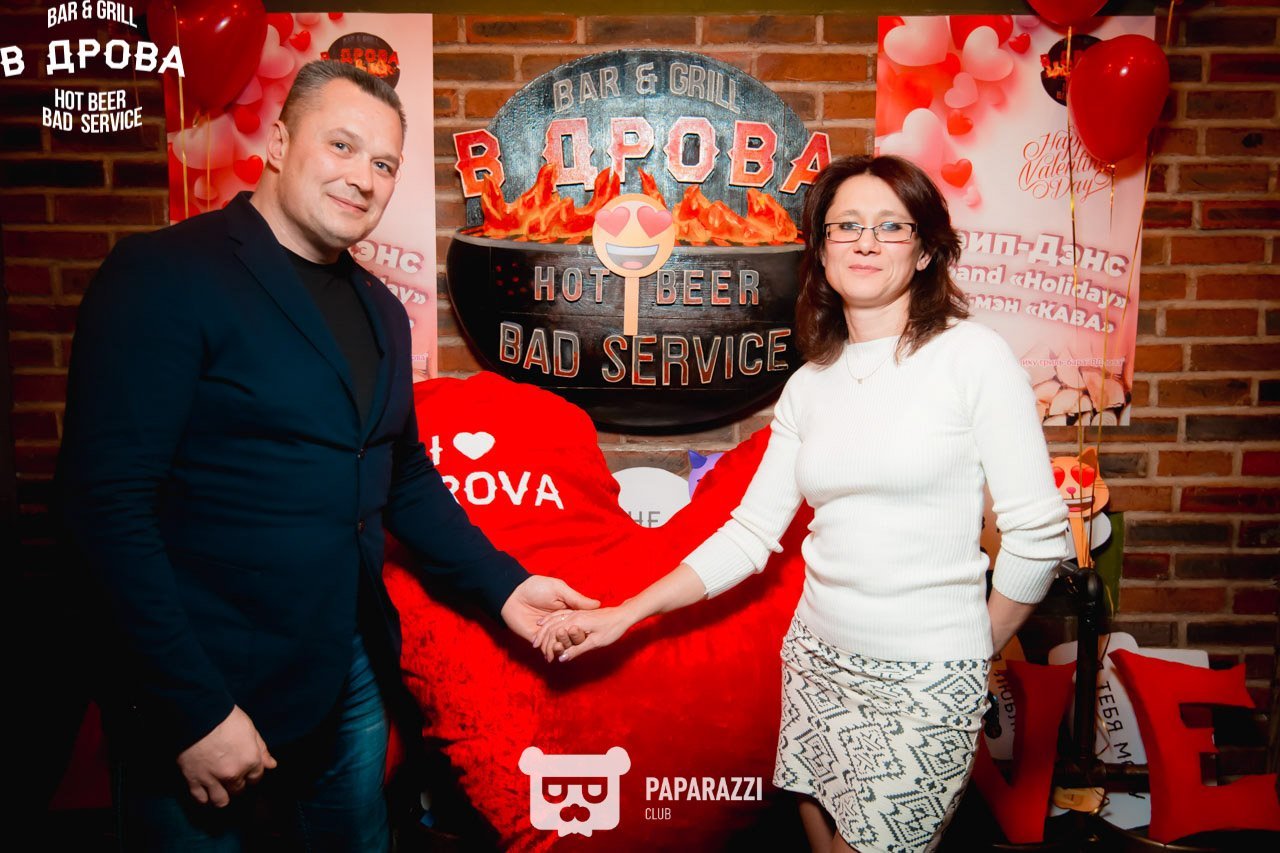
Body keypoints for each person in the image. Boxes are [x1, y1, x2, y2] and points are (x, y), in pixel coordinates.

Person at [58, 60, 596, 851]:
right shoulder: (165, 274)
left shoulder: (381, 308)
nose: (363, 177)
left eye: (383, 163)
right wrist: (192, 708)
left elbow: (400, 472)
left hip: (348, 670)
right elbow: (104, 509)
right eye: (341, 145)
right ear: (279, 143)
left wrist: (506, 585)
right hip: (209, 680)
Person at [536, 155, 1069, 853]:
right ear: (821, 248)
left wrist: (970, 652)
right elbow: (749, 533)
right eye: (847, 226)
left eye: (891, 226)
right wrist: (624, 613)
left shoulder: (973, 358)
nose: (866, 242)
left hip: (926, 678)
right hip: (817, 661)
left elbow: (1038, 536)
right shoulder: (811, 384)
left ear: (925, 250)